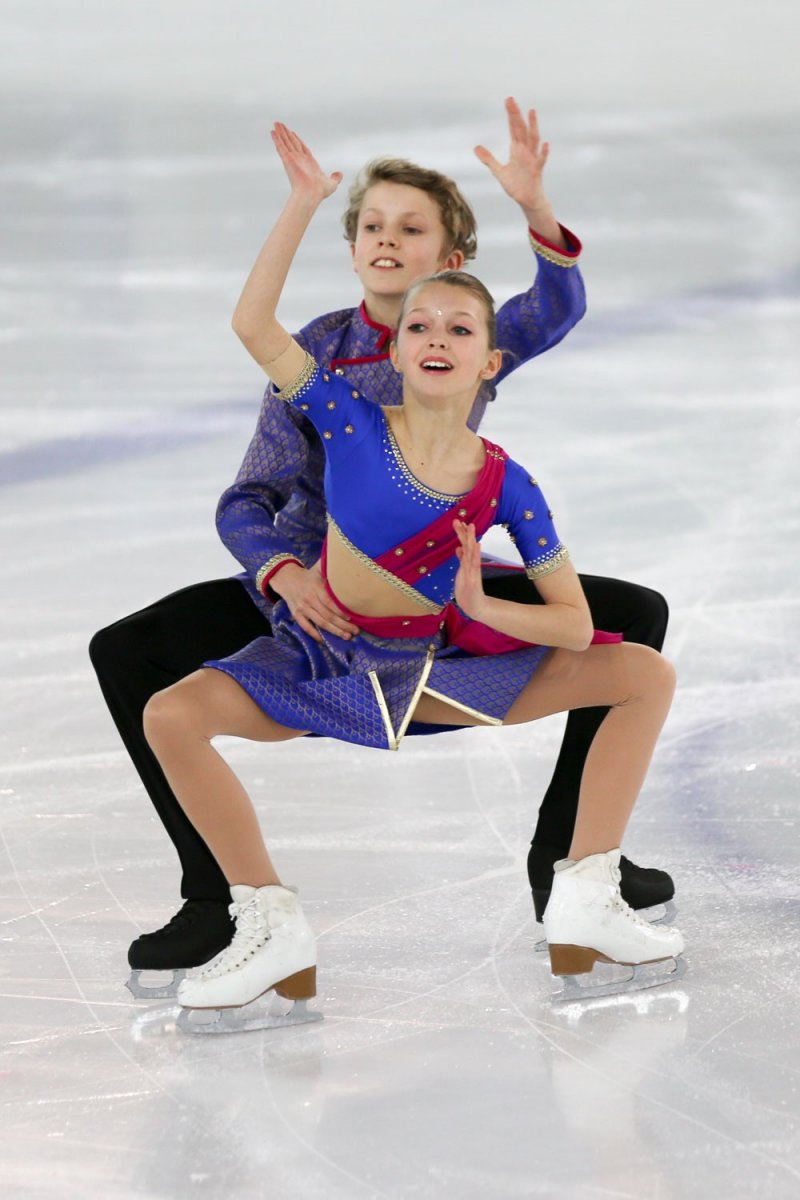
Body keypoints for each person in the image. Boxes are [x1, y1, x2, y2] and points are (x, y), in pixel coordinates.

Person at [89, 100, 672, 996]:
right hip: (311, 585)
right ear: (352, 244)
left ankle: (576, 863)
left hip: (443, 576)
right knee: (130, 655)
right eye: (370, 226)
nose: (387, 242)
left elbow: (554, 305)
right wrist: (282, 573)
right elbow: (249, 492)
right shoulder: (326, 365)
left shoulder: (466, 330)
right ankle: (221, 897)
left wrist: (538, 211)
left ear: (455, 265)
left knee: (630, 625)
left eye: (412, 228)